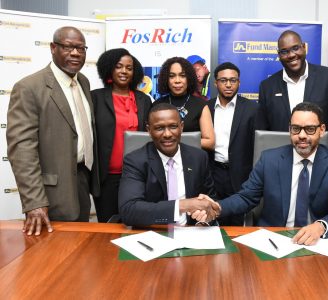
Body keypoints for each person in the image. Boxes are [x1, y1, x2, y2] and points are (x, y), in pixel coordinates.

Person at [204, 102, 328, 245]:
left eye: (309, 129)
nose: (301, 135)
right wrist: (218, 207)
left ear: (321, 130)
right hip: (274, 239)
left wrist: (320, 226)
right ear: (289, 129)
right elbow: (246, 197)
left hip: (317, 240)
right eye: (296, 128)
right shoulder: (269, 159)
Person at [6, 26, 99, 235]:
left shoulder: (82, 81)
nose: (75, 53)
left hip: (81, 183)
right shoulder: (29, 87)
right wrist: (34, 202)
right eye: (68, 47)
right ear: (53, 48)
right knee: (49, 259)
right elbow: (22, 150)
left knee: (78, 255)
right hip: (49, 194)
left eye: (80, 48)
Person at [118, 103, 220, 227]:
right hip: (152, 233)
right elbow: (129, 211)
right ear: (149, 130)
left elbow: (211, 202)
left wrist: (205, 219)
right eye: (159, 128)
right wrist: (184, 205)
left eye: (173, 126)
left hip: (192, 232)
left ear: (181, 127)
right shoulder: (135, 160)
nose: (167, 134)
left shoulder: (198, 157)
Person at [257, 30, 328, 152]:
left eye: (295, 48)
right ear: (279, 55)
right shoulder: (267, 86)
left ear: (304, 48)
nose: (291, 55)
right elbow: (263, 129)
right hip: (282, 159)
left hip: (322, 157)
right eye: (284, 51)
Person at [91, 48, 152, 223]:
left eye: (129, 68)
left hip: (138, 175)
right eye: (118, 66)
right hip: (107, 177)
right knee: (108, 225)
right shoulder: (95, 97)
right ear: (109, 68)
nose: (124, 71)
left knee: (136, 224)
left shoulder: (144, 100)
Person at [207, 62, 258, 226]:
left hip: (240, 174)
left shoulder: (252, 108)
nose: (228, 84)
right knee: (211, 216)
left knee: (237, 220)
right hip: (212, 172)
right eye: (223, 80)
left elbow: (257, 145)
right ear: (215, 83)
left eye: (233, 80)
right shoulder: (206, 107)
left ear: (239, 82)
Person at [155, 57, 215, 151]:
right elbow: (150, 138)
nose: (177, 80)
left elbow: (210, 142)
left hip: (192, 161)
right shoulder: (157, 105)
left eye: (182, 75)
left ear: (189, 78)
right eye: (172, 76)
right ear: (166, 79)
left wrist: (175, 140)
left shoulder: (201, 105)